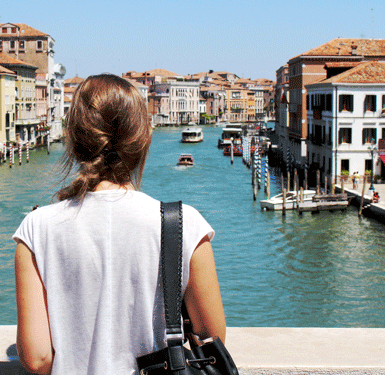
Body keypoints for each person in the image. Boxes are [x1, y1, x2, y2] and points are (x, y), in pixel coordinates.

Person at [13, 74, 226, 375]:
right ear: (143, 140)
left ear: (73, 138)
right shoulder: (184, 224)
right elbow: (211, 340)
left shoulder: (35, 229)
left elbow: (38, 359)